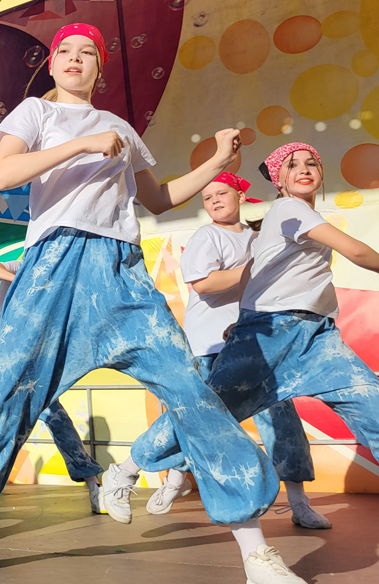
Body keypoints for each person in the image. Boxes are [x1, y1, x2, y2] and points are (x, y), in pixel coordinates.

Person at [0, 24, 308, 584]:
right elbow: (5, 173)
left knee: (191, 389)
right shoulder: (36, 113)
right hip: (53, 267)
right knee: (5, 389)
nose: (75, 59)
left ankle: (255, 550)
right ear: (53, 63)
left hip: (120, 270)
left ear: (100, 69)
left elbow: (157, 199)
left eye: (88, 54)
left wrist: (217, 160)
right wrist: (81, 145)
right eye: (65, 51)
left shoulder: (121, 128)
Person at [126, 143, 379, 584]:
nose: (304, 169)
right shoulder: (286, 209)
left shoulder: (275, 226)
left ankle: (297, 501)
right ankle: (127, 467)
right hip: (270, 336)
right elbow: (354, 250)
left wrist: (244, 313)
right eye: (291, 166)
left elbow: (262, 277)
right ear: (277, 181)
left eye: (312, 163)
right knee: (207, 415)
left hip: (318, 339)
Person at [136, 173, 330, 530]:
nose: (214, 201)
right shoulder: (207, 235)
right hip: (210, 345)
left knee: (281, 419)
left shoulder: (259, 237)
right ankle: (175, 480)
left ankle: (299, 502)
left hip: (254, 341)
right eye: (207, 197)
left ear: (240, 195)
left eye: (221, 193)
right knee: (197, 417)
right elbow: (204, 283)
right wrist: (257, 271)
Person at [0, 259, 104, 512]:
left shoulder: (63, 279)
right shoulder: (24, 265)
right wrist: (25, 281)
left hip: (31, 356)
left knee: (56, 416)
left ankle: (93, 484)